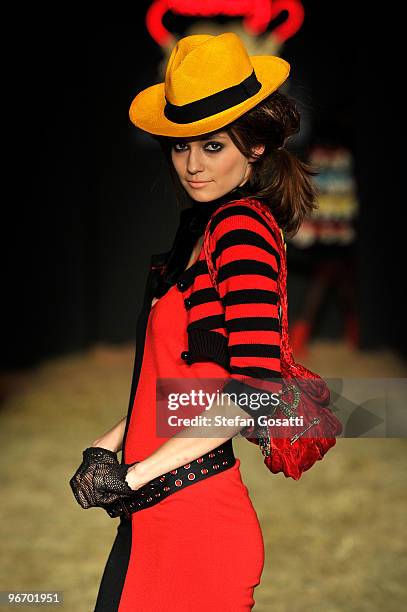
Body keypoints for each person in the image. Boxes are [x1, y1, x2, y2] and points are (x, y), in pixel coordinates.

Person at [71, 32, 318, 611]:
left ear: (254, 147)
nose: (192, 165)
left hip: (193, 521)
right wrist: (108, 447)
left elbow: (254, 394)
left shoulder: (240, 230)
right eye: (181, 147)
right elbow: (190, 386)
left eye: (212, 147)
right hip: (160, 512)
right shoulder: (201, 233)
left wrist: (136, 475)